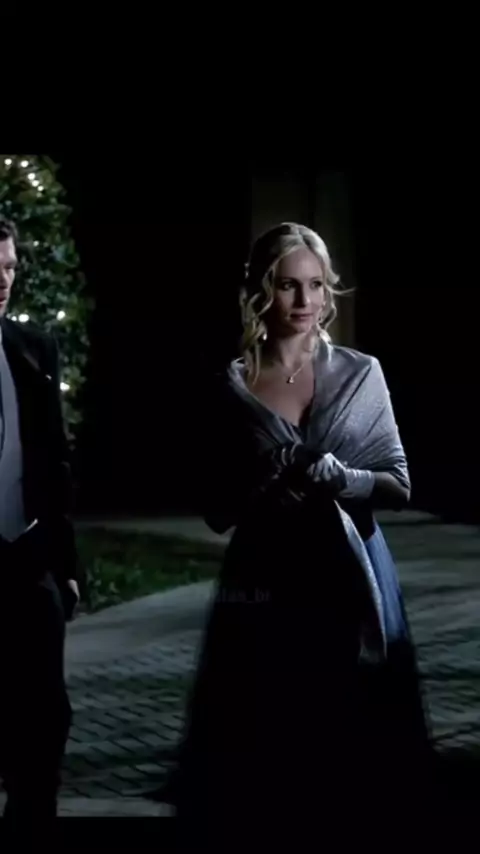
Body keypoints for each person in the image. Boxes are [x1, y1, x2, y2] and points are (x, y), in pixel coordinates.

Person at [171, 222, 434, 848]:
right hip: (266, 579)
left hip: (353, 571)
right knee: (265, 738)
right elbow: (215, 511)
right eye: (288, 285)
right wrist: (263, 485)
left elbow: (398, 485)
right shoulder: (232, 385)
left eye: (315, 286)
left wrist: (343, 478)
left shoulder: (360, 374)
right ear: (262, 291)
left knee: (358, 737)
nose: (304, 301)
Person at [0, 216, 79, 842]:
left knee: (45, 720)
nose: (3, 281)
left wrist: (66, 566)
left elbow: (54, 462)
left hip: (27, 558)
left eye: (8, 267)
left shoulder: (31, 349)